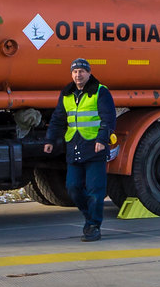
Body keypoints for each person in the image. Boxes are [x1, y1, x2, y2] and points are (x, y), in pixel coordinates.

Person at [44, 57, 117, 240]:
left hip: (95, 147)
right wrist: (50, 140)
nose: (78, 75)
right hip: (74, 146)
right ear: (72, 74)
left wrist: (102, 138)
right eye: (75, 72)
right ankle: (89, 217)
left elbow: (108, 118)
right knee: (73, 187)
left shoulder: (100, 92)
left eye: (82, 71)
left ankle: (94, 226)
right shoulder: (67, 94)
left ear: (89, 73)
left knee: (95, 190)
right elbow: (58, 119)